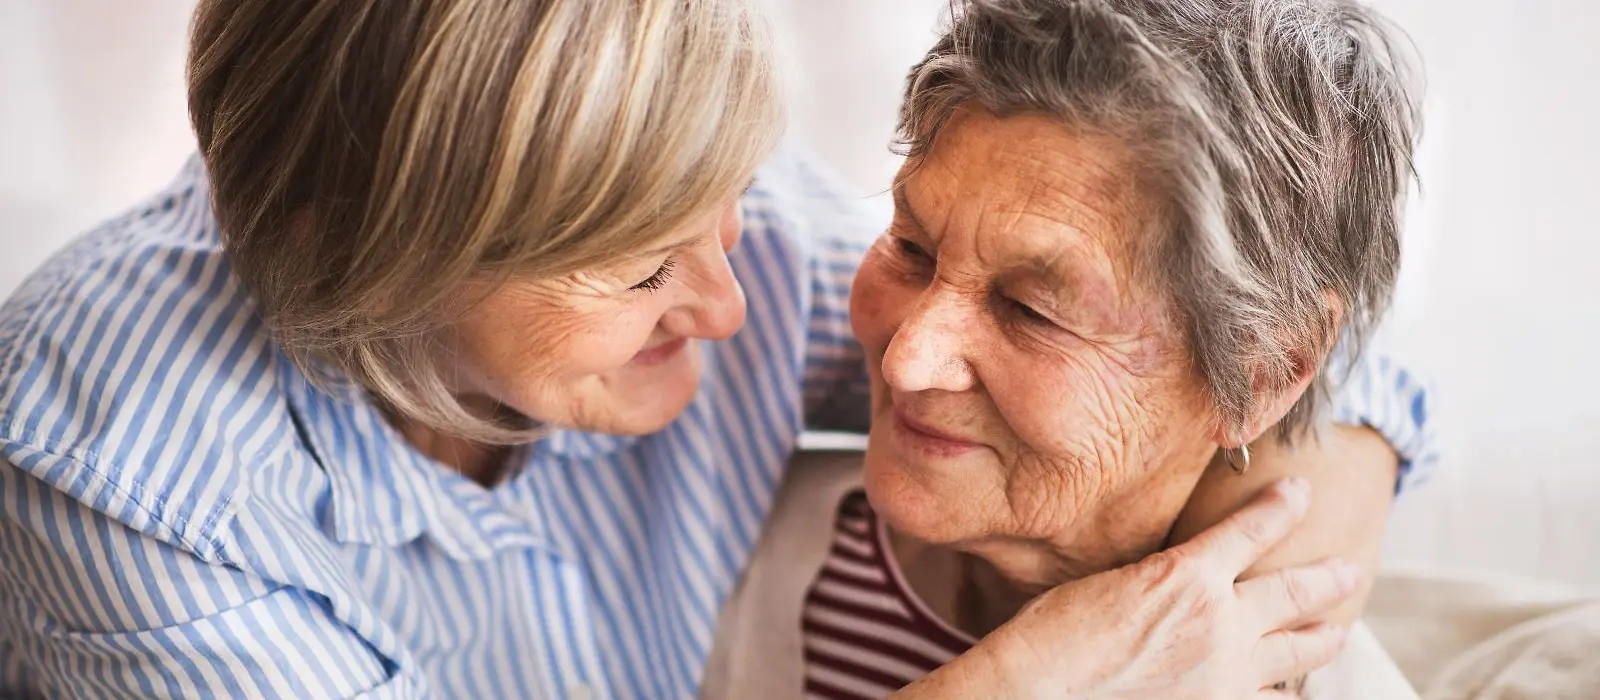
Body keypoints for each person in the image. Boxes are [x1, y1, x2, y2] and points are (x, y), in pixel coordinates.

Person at [0, 0, 1432, 697]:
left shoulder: (763, 253)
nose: (735, 305)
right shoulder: (124, 474)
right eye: (637, 265)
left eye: (724, 198)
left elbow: (1272, 335)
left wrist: (1276, 571)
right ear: (372, 267)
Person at [704, 0, 1428, 697]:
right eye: (911, 248)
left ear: (1264, 374)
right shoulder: (730, 543)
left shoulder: (1304, 668)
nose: (907, 360)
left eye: (1031, 312)